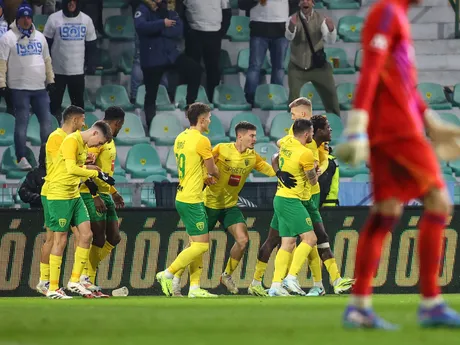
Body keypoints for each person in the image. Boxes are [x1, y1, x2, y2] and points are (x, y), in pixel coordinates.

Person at [336, 0, 460, 329]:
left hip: (393, 128)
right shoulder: (388, 11)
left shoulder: (396, 14)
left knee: (385, 213)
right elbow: (371, 70)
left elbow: (402, 84)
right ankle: (431, 302)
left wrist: (432, 122)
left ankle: (359, 306)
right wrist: (356, 126)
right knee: (439, 202)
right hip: (396, 131)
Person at [171, 121, 277, 297]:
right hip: (208, 205)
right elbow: (203, 164)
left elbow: (269, 169)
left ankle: (226, 275)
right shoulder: (221, 149)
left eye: (255, 136)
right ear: (240, 136)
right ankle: (176, 280)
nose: (254, 139)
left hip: (229, 206)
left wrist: (285, 171)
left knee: (243, 240)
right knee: (195, 246)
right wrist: (206, 177)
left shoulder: (252, 157)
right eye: (251, 136)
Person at [156, 102, 219, 298]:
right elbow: (212, 170)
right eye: (208, 118)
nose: (209, 120)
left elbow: (192, 166)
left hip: (182, 194)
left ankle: (194, 288)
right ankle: (167, 273)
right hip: (193, 198)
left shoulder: (180, 138)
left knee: (195, 244)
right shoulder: (202, 141)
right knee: (201, 245)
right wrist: (215, 174)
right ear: (201, 120)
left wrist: (203, 177)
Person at [46, 120, 113, 299]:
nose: (97, 146)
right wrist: (96, 173)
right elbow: (70, 168)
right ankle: (53, 287)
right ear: (94, 134)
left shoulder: (83, 145)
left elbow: (79, 169)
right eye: (99, 142)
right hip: (59, 195)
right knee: (59, 241)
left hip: (74, 195)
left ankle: (75, 281)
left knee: (86, 235)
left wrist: (93, 168)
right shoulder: (71, 141)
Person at [35, 105, 86, 296]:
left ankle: (54, 281)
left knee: (77, 235)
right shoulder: (57, 138)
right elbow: (63, 166)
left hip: (68, 192)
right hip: (55, 193)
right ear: (74, 120)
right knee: (56, 238)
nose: (84, 124)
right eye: (82, 120)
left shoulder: (74, 139)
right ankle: (49, 282)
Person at [0, 1, 55, 170]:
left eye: (28, 17)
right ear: (17, 19)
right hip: (19, 88)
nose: (26, 20)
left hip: (39, 88)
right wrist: (2, 83)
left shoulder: (40, 37)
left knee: (47, 124)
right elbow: (2, 63)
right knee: (21, 124)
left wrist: (50, 79)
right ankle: (21, 157)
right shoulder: (8, 37)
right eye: (23, 17)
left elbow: (47, 60)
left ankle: (45, 158)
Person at [267, 119, 318, 297]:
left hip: (280, 198)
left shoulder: (286, 141)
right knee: (310, 239)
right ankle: (291, 277)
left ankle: (275, 286)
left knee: (287, 243)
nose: (312, 135)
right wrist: (316, 171)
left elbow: (275, 154)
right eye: (311, 132)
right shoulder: (306, 154)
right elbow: (312, 181)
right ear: (306, 134)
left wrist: (279, 171)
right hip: (292, 200)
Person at [79, 106, 125, 297]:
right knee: (98, 238)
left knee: (114, 237)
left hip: (105, 193)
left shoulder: (108, 139)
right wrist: (95, 195)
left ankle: (86, 276)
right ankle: (86, 280)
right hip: (91, 193)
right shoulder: (98, 139)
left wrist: (113, 192)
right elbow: (86, 167)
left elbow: (103, 170)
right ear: (119, 123)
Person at [134, 0, 201, 128]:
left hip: (171, 55)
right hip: (152, 58)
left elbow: (178, 30)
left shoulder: (169, 8)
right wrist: (163, 24)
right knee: (151, 95)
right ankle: (151, 126)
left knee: (195, 69)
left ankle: (190, 104)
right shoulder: (143, 8)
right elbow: (141, 27)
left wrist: (158, 30)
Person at [43, 0, 97, 124]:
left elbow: (91, 45)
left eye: (74, 1)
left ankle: (76, 136)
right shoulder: (53, 19)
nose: (71, 4)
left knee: (78, 107)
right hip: (57, 71)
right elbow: (45, 46)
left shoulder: (86, 20)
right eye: (69, 1)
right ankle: (54, 133)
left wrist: (91, 63)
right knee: (54, 106)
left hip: (77, 71)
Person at [285, 0, 340, 116]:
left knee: (331, 96)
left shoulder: (321, 19)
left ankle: (336, 123)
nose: (305, 2)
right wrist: (291, 26)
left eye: (308, 0)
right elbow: (289, 36)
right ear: (299, 4)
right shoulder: (292, 18)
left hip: (317, 67)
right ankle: (291, 126)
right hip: (297, 66)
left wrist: (331, 29)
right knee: (293, 100)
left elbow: (330, 40)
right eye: (303, 0)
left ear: (313, 3)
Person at [238, 0, 292, 105]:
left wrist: (288, 19)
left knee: (279, 67)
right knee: (255, 66)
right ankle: (250, 98)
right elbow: (242, 4)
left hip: (281, 29)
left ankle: (277, 97)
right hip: (259, 28)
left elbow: (295, 4)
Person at [184, 0, 231, 100]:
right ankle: (190, 101)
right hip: (194, 33)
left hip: (214, 33)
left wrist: (221, 32)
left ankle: (213, 99)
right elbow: (180, 10)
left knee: (213, 69)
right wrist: (187, 30)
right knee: (191, 68)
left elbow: (227, 12)